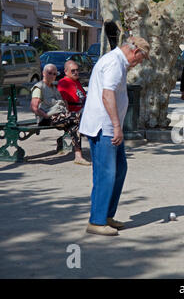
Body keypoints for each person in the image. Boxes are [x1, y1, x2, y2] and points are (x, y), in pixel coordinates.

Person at [79, 36, 150, 236]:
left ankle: (107, 215)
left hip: (109, 127)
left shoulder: (117, 62)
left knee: (119, 170)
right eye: (141, 59)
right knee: (106, 173)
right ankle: (97, 221)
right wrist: (118, 125)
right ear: (134, 52)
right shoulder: (114, 62)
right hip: (104, 127)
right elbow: (107, 94)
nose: (139, 64)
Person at [30, 63, 89, 165]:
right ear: (43, 73)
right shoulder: (39, 87)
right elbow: (34, 107)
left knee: (74, 125)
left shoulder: (53, 87)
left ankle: (78, 156)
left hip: (59, 116)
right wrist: (45, 115)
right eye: (50, 73)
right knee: (78, 117)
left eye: (54, 74)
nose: (52, 75)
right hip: (47, 119)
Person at [57, 60, 90, 165]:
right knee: (76, 122)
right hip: (74, 113)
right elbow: (63, 103)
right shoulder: (64, 83)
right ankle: (78, 155)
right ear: (66, 71)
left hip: (83, 111)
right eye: (73, 71)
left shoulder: (76, 82)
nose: (76, 72)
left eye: (77, 70)